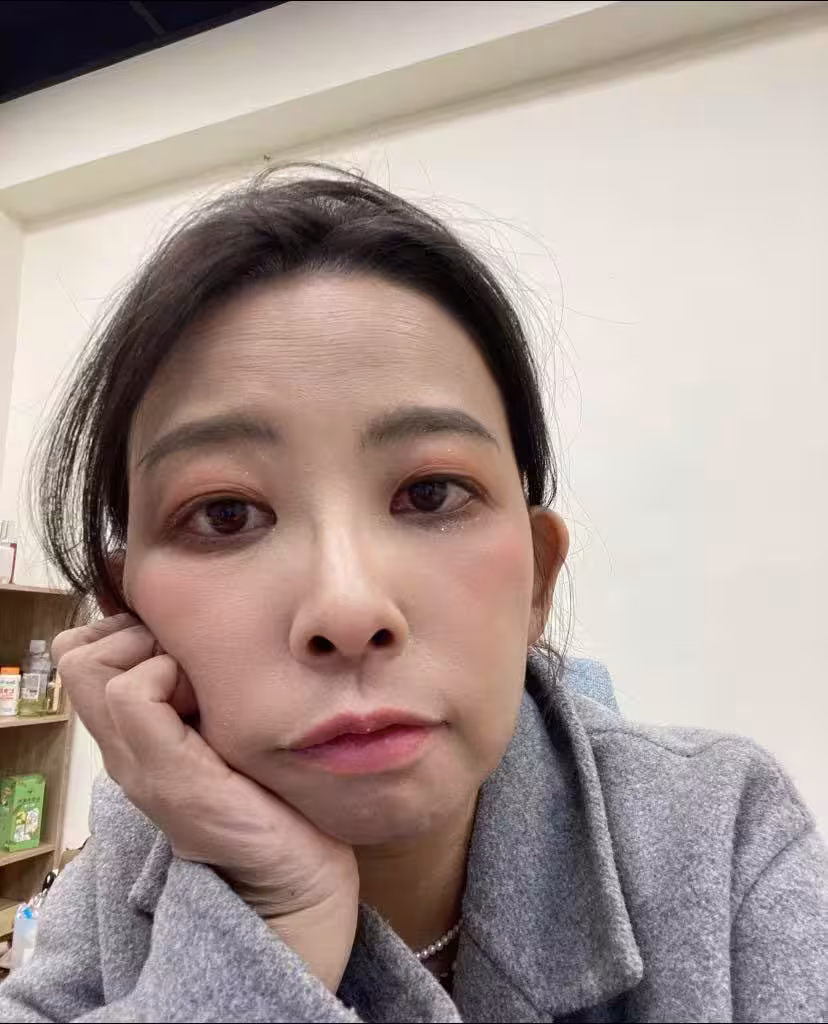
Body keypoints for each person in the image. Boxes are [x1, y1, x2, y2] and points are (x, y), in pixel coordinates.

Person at [0, 168, 824, 1024]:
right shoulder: (142, 836)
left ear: (538, 579)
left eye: (430, 494)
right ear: (129, 614)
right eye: (226, 513)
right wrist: (273, 923)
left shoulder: (723, 836)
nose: (349, 609)